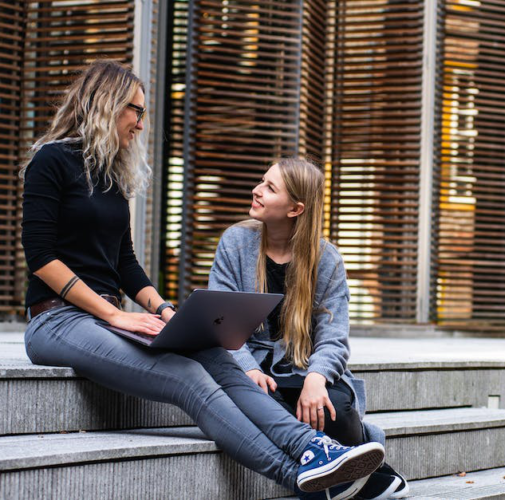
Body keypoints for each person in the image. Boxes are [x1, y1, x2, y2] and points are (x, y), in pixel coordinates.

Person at [20, 60, 384, 500]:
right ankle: (298, 477)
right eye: (136, 109)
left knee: (218, 358)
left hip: (104, 317)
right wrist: (118, 315)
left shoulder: (111, 176)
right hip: (57, 322)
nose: (141, 121)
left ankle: (313, 448)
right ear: (107, 104)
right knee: (187, 376)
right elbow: (41, 258)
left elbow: (126, 263)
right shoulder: (51, 160)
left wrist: (164, 310)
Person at [208, 157, 409, 499]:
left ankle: (345, 475)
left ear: (295, 208)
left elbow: (334, 337)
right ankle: (371, 478)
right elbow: (219, 319)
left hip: (303, 368)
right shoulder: (235, 241)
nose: (256, 191)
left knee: (334, 408)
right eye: (261, 181)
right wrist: (248, 369)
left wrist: (317, 378)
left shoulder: (326, 258)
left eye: (269, 188)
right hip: (252, 368)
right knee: (262, 404)